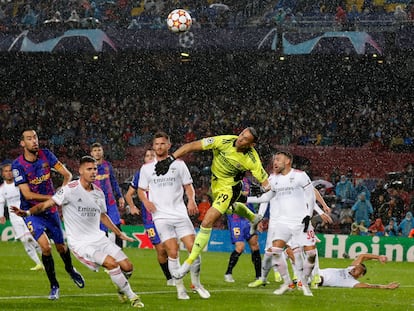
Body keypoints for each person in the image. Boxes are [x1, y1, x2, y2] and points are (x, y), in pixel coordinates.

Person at [12, 156, 144, 308]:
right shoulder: (69, 190)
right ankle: (133, 297)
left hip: (100, 239)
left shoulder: (99, 193)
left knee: (128, 267)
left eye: (95, 169)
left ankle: (121, 287)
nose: (93, 172)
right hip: (81, 244)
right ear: (80, 171)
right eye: (89, 169)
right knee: (111, 264)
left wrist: (119, 233)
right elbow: (46, 205)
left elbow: (102, 216)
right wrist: (27, 213)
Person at [155, 127, 270, 281]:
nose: (240, 139)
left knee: (207, 220)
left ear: (251, 145)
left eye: (245, 139)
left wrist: (262, 190)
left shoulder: (252, 159)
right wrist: (171, 158)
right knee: (230, 209)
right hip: (215, 185)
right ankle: (252, 217)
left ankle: (187, 264)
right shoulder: (224, 141)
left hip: (229, 188)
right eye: (242, 134)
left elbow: (267, 183)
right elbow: (192, 146)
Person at [11, 129, 85, 300]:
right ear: (23, 144)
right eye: (29, 139)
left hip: (51, 211)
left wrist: (62, 192)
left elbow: (67, 174)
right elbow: (28, 195)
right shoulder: (18, 166)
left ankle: (70, 269)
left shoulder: (47, 155)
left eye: (35, 137)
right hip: (32, 212)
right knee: (45, 247)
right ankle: (54, 285)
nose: (34, 141)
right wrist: (54, 197)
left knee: (61, 247)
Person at [246, 152, 332, 296]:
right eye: (274, 159)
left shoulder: (300, 175)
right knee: (276, 251)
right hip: (281, 222)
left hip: (300, 221)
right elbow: (267, 197)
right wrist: (248, 199)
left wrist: (310, 214)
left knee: (310, 253)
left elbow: (310, 194)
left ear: (287, 161)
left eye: (278, 159)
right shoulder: (272, 178)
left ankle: (305, 280)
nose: (275, 162)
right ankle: (287, 282)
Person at [138, 131, 210, 300]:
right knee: (172, 250)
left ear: (169, 145)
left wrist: (191, 200)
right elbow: (141, 190)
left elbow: (188, 186)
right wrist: (146, 202)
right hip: (160, 216)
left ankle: (196, 284)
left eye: (163, 143)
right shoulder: (147, 168)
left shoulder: (178, 164)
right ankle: (180, 289)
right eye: (156, 144)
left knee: (194, 248)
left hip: (180, 213)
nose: (159, 147)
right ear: (153, 146)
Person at [124, 148, 174, 286]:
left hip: (166, 216)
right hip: (150, 219)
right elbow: (128, 194)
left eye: (153, 155)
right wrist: (133, 206)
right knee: (161, 249)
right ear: (144, 159)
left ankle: (175, 274)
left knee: (171, 247)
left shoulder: (166, 170)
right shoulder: (141, 173)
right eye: (147, 155)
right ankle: (169, 277)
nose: (151, 157)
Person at [0, 162, 43, 271]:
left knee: (30, 237)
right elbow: (1, 202)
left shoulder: (20, 184)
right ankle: (39, 263)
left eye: (10, 171)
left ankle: (45, 254)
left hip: (25, 213)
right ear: (2, 174)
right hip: (14, 218)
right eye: (6, 171)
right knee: (25, 240)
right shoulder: (2, 188)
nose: (9, 173)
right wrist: (1, 215)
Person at [224, 177, 262, 283]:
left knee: (255, 245)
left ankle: (259, 276)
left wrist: (256, 219)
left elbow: (250, 199)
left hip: (248, 217)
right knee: (240, 247)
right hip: (235, 218)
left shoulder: (247, 180)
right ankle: (228, 273)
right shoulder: (229, 180)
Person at [90, 142, 125, 248]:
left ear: (102, 152)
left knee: (117, 227)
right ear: (91, 153)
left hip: (110, 202)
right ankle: (106, 255)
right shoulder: (89, 168)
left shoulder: (107, 166)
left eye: (99, 150)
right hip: (97, 204)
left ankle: (120, 254)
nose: (97, 152)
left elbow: (114, 182)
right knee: (102, 232)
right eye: (95, 151)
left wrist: (120, 196)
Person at [318, 253, 399, 289]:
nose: (354, 269)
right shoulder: (349, 268)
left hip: (320, 279)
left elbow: (369, 286)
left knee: (318, 279)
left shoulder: (352, 282)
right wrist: (378, 257)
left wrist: (386, 287)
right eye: (355, 267)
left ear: (360, 275)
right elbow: (362, 256)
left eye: (357, 269)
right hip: (316, 270)